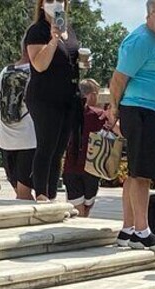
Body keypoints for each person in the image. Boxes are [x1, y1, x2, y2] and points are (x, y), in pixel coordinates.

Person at [108, 0, 155, 251]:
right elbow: (118, 79)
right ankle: (142, 230)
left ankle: (129, 229)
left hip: (153, 114)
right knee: (142, 174)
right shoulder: (141, 40)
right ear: (149, 14)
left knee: (136, 172)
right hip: (143, 112)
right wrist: (115, 110)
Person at [25, 0, 83, 202]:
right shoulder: (37, 30)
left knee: (59, 150)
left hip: (68, 97)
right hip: (44, 97)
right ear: (41, 5)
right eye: (50, 0)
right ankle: (41, 193)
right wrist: (53, 40)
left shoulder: (69, 29)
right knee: (46, 146)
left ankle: (51, 194)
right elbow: (39, 65)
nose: (56, 3)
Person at [63, 79, 114, 216]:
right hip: (93, 167)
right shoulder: (99, 116)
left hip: (71, 166)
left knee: (79, 210)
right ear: (92, 95)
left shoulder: (67, 113)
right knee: (85, 209)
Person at [0, 41, 36, 200]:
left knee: (20, 193)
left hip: (6, 140)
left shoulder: (6, 71)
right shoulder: (38, 73)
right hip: (29, 140)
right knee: (24, 194)